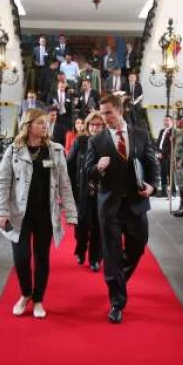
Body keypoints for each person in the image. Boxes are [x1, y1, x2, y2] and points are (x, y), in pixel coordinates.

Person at [0, 108, 78, 319]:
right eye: (40, 122)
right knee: (21, 258)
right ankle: (25, 294)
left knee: (42, 258)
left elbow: (64, 184)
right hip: (19, 214)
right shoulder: (14, 150)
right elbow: (3, 182)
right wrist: (2, 210)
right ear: (28, 125)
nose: (45, 125)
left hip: (45, 214)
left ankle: (39, 299)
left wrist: (70, 212)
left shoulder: (55, 150)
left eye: (46, 123)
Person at [85, 93, 159, 323]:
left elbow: (151, 164)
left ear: (120, 111)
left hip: (136, 204)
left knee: (138, 247)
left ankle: (117, 279)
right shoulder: (96, 141)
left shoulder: (140, 135)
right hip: (109, 207)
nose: (104, 117)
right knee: (112, 254)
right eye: (102, 112)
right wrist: (97, 167)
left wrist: (152, 186)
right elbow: (88, 173)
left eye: (108, 112)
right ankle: (117, 303)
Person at [67, 111, 105, 271]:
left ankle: (95, 258)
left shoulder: (108, 142)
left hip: (102, 193)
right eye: (92, 125)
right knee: (81, 226)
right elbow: (69, 165)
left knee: (98, 226)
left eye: (99, 125)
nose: (95, 128)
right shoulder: (80, 142)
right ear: (87, 126)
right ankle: (81, 249)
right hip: (82, 191)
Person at [155, 115, 174, 198]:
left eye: (167, 120)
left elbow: (170, 145)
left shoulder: (173, 131)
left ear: (171, 122)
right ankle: (163, 191)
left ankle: (173, 191)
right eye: (165, 120)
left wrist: (162, 153)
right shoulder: (162, 131)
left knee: (170, 174)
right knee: (162, 173)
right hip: (160, 155)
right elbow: (158, 142)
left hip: (168, 156)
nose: (165, 122)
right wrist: (157, 152)